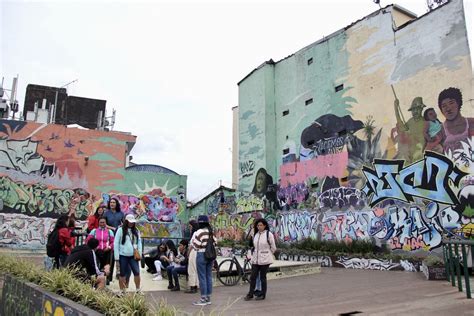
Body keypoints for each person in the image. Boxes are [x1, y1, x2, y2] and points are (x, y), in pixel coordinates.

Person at [244, 218, 277, 301]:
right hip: (256, 259)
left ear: (265, 225)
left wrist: (268, 253)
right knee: (253, 276)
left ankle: (262, 294)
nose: (259, 227)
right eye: (258, 225)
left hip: (265, 259)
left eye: (261, 225)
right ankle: (250, 294)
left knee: (262, 277)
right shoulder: (255, 234)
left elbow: (273, 247)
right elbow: (253, 245)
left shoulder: (268, 234)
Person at [438, 87, 474, 153]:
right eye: (444, 106)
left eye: (451, 103)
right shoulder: (441, 131)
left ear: (458, 103)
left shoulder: (471, 123)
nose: (448, 109)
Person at [114, 214, 142, 293]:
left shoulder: (136, 230)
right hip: (123, 255)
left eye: (132, 222)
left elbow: (139, 242)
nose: (131, 223)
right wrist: (117, 258)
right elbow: (116, 244)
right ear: (126, 221)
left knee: (136, 272)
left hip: (133, 255)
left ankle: (138, 289)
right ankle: (122, 290)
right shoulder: (120, 230)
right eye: (129, 222)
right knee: (122, 273)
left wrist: (139, 253)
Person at [393, 96, 426, 162]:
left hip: (420, 153)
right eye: (413, 109)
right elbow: (402, 128)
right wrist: (396, 109)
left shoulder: (425, 122)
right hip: (409, 153)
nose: (415, 111)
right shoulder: (410, 121)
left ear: (422, 109)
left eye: (418, 108)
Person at [192, 215, 216, 306]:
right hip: (210, 256)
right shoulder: (210, 231)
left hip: (201, 255)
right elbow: (215, 242)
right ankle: (208, 298)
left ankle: (203, 299)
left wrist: (194, 243)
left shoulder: (200, 232)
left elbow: (195, 246)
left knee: (202, 277)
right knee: (208, 276)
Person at [104, 197, 124, 281]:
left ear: (117, 204)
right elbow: (104, 224)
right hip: (110, 237)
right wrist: (113, 228)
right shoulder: (106, 213)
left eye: (114, 202)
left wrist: (121, 226)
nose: (112, 204)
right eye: (111, 202)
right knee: (111, 257)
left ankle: (119, 274)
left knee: (120, 256)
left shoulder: (121, 213)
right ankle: (109, 277)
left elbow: (124, 224)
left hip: (119, 237)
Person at [185, 219, 199, 294]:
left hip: (193, 252)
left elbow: (191, 245)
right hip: (199, 252)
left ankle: (192, 287)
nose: (190, 228)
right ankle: (196, 286)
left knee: (191, 269)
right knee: (196, 269)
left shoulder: (195, 233)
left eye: (190, 226)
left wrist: (188, 253)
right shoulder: (199, 232)